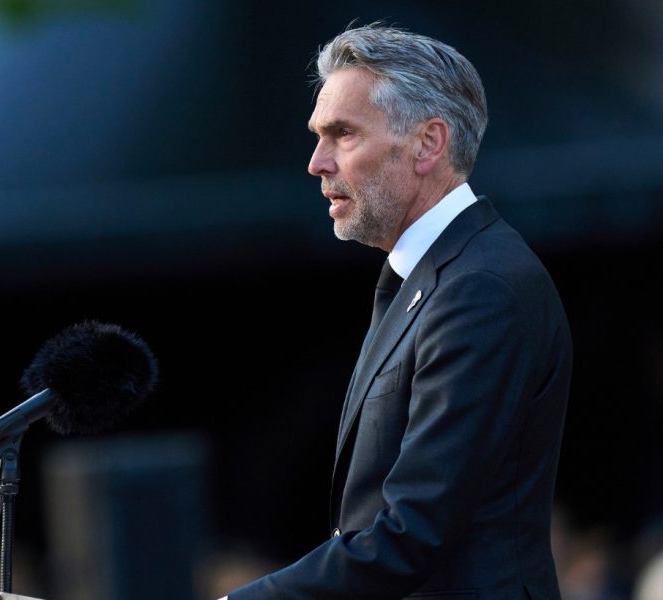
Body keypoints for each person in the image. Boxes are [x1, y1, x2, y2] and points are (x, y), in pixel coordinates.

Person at [223, 24, 573, 599]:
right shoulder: (432, 277)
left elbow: (412, 532)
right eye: (318, 136)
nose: (316, 162)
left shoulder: (480, 289)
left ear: (428, 144)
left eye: (343, 134)